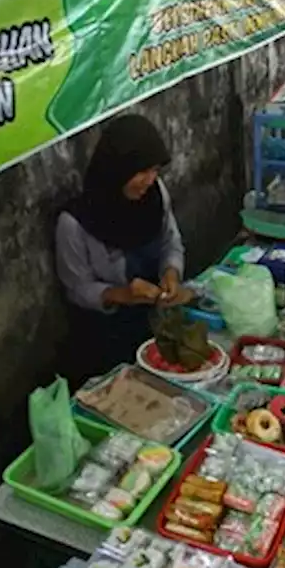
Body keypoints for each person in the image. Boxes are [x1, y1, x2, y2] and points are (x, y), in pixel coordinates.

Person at [55, 114, 186, 383]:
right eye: (142, 171)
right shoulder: (74, 224)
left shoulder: (155, 195)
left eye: (155, 171)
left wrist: (171, 272)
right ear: (117, 169)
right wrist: (121, 294)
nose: (150, 180)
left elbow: (170, 241)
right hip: (108, 340)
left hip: (157, 323)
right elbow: (77, 288)